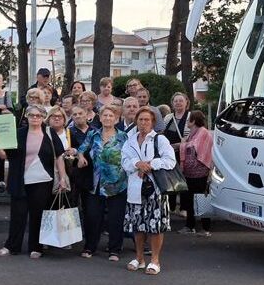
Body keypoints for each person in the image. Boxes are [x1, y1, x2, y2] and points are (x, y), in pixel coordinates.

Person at [0, 104, 69, 258]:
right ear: (26, 116)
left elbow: (59, 156)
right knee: (18, 215)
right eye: (32, 115)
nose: (35, 118)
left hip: (43, 181)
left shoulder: (49, 133)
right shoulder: (18, 133)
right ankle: (11, 245)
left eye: (38, 115)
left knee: (38, 215)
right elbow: (4, 155)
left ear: (43, 117)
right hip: (20, 180)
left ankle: (36, 247)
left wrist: (63, 177)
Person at [121, 107, 176, 275]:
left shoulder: (160, 139)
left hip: (155, 189)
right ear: (136, 121)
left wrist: (150, 164)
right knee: (137, 225)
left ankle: (155, 260)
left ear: (152, 122)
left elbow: (170, 161)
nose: (143, 123)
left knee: (155, 226)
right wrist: (137, 164)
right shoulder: (130, 140)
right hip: (135, 188)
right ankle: (139, 258)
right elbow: (124, 161)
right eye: (140, 119)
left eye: (147, 120)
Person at [74, 105, 128, 261]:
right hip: (96, 183)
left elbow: (130, 156)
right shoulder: (93, 134)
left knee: (115, 218)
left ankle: (114, 249)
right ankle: (90, 247)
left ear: (116, 119)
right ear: (100, 118)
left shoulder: (123, 137)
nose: (108, 118)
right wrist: (81, 157)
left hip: (118, 183)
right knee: (92, 216)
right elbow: (81, 149)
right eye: (105, 115)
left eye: (111, 116)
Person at [178, 110, 213, 236]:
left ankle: (205, 228)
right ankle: (190, 225)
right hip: (190, 173)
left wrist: (182, 144)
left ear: (193, 121)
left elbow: (193, 146)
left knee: (202, 199)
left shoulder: (203, 132)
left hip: (200, 173)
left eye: (189, 120)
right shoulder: (194, 133)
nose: (187, 122)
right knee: (189, 200)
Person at [163, 92, 191, 217]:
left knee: (184, 180)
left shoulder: (191, 116)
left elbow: (195, 136)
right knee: (170, 180)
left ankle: (184, 208)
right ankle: (171, 206)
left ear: (186, 102)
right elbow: (162, 133)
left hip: (185, 155)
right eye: (176, 101)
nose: (178, 103)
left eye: (181, 100)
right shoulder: (168, 117)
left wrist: (181, 145)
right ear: (172, 103)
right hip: (169, 154)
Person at [67, 105, 94, 211]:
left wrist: (77, 151)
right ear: (72, 117)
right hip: (75, 174)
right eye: (75, 114)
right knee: (73, 206)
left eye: (80, 113)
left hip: (92, 173)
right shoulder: (68, 132)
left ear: (86, 115)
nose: (78, 116)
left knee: (90, 208)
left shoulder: (96, 131)